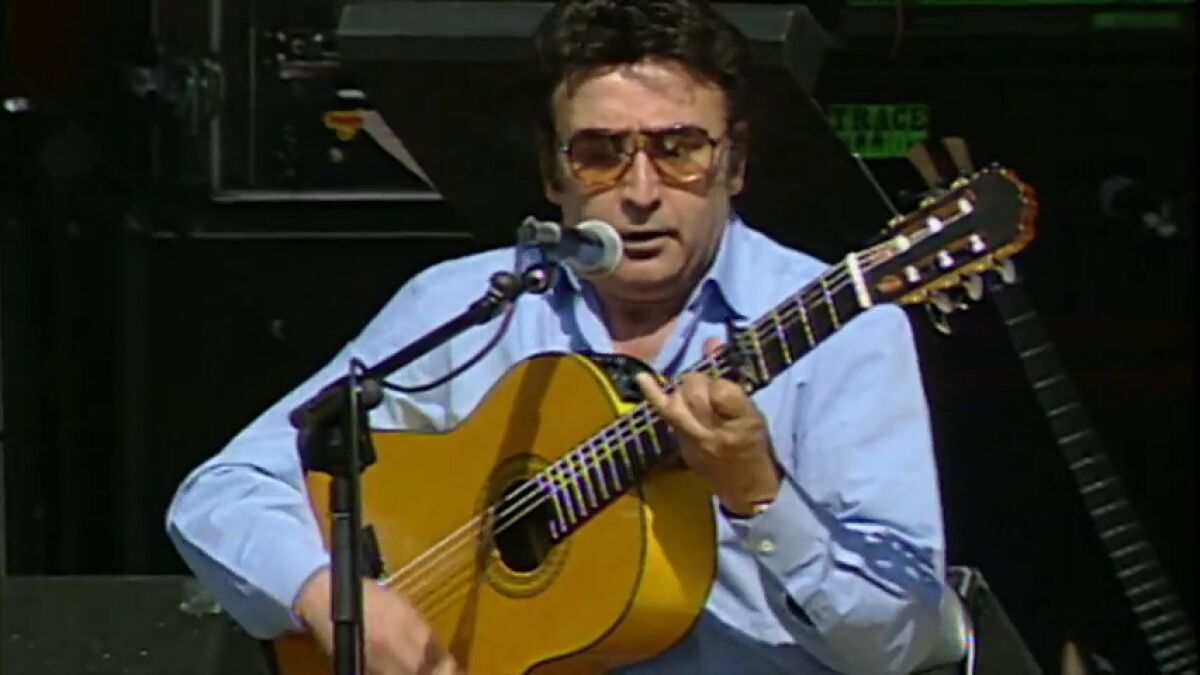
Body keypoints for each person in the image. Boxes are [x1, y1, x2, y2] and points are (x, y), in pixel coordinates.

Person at [166, 1, 950, 673]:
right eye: (600, 155)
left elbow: (903, 642)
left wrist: (760, 494)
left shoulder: (845, 333)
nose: (640, 192)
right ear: (553, 173)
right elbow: (223, 491)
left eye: (678, 150)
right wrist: (329, 598)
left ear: (733, 163)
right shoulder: (473, 304)